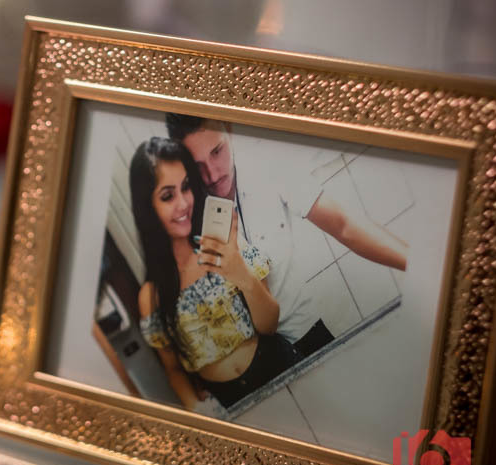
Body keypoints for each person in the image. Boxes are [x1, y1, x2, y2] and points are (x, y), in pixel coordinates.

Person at [166, 114, 408, 354]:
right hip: (250, 361)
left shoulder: (267, 165)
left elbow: (344, 226)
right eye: (197, 165)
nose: (212, 174)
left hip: (306, 335)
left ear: (229, 129)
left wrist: (416, 266)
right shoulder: (185, 211)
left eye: (217, 151)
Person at [130, 137, 299, 413]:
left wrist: (238, 270)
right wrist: (198, 411)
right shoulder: (151, 296)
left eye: (186, 187)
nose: (183, 203)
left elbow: (270, 324)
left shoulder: (226, 245)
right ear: (148, 208)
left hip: (280, 367)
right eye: (167, 196)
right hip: (230, 404)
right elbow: (173, 370)